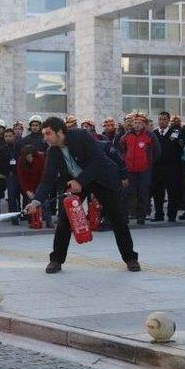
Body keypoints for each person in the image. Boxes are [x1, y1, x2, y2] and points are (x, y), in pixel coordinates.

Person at [24, 117, 140, 274]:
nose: (45, 138)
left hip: (102, 178)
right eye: (44, 134)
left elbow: (98, 161)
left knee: (117, 218)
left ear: (59, 132)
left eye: (48, 134)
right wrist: (36, 201)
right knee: (64, 220)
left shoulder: (81, 136)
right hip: (76, 184)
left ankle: (131, 258)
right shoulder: (52, 151)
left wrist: (80, 180)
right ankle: (56, 260)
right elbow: (47, 179)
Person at [119, 113, 160, 225]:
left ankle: (141, 216)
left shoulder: (150, 136)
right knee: (129, 193)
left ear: (144, 125)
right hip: (129, 170)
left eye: (140, 123)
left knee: (143, 193)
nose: (137, 125)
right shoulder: (125, 137)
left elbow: (157, 152)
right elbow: (121, 151)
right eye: (135, 123)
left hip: (144, 170)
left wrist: (148, 163)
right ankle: (128, 215)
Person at [151, 112, 182, 222]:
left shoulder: (175, 132)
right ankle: (159, 214)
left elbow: (179, 149)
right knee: (158, 193)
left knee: (172, 192)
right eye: (160, 119)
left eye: (164, 119)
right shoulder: (153, 133)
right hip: (157, 168)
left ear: (168, 120)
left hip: (171, 168)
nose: (162, 121)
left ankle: (172, 215)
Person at [17, 145, 52, 228]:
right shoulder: (20, 162)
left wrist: (42, 188)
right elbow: (21, 178)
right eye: (27, 157)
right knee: (30, 203)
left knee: (45, 203)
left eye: (31, 156)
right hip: (29, 185)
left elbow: (44, 173)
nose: (29, 159)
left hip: (41, 183)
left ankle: (48, 220)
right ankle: (32, 221)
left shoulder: (41, 158)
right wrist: (27, 190)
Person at [3, 128, 21, 225]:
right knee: (12, 197)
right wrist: (7, 172)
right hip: (10, 176)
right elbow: (0, 164)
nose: (8, 138)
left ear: (14, 136)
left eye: (10, 136)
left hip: (21, 175)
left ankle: (25, 215)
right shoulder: (3, 149)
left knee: (25, 196)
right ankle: (14, 218)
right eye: (6, 136)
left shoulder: (20, 147)